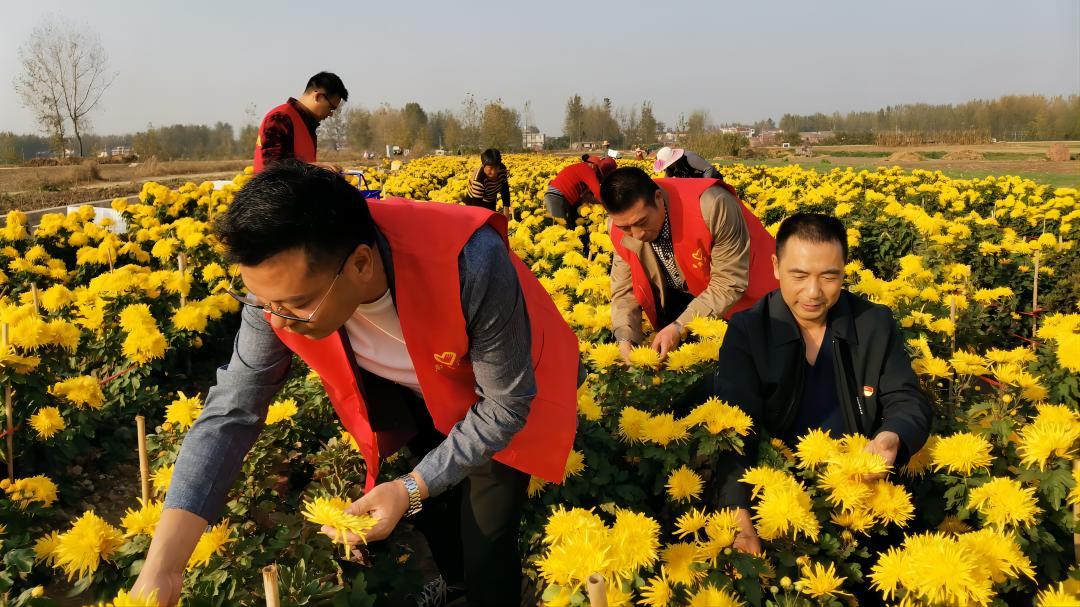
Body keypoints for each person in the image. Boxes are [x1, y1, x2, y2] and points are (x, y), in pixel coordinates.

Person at [131, 161, 580, 607]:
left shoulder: (470, 261)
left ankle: (489, 592)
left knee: (486, 528)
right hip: (416, 384)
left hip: (503, 387)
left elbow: (504, 405)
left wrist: (409, 487)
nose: (277, 319)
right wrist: (163, 571)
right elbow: (231, 411)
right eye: (266, 302)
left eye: (297, 303)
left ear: (361, 264)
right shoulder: (276, 293)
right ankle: (455, 582)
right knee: (432, 504)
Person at [699, 212, 932, 555]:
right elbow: (735, 429)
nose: (813, 292)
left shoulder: (873, 324)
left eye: (829, 277)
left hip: (856, 494)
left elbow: (907, 398)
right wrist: (738, 514)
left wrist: (891, 436)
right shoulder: (749, 330)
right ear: (776, 267)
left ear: (844, 271)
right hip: (777, 495)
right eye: (799, 275)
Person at [602, 167, 778, 362]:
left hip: (750, 293)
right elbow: (624, 290)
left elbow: (729, 282)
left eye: (642, 222)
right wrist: (626, 339)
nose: (637, 235)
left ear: (659, 198)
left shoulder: (713, 205)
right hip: (688, 293)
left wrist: (680, 326)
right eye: (625, 228)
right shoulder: (617, 228)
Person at [253, 72, 348, 173]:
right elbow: (273, 167)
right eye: (331, 108)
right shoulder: (280, 118)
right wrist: (315, 168)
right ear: (318, 97)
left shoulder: (306, 123)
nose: (330, 114)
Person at [544, 154, 617, 227]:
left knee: (569, 226)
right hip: (556, 197)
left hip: (557, 196)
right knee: (559, 228)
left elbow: (586, 196)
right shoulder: (587, 169)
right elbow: (599, 194)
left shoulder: (580, 168)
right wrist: (614, 208)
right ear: (595, 166)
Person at [464, 148, 511, 215]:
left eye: (496, 167)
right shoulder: (479, 179)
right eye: (490, 168)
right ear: (483, 165)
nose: (494, 172)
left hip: (490, 197)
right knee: (475, 218)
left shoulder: (502, 170)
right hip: (473, 200)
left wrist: (506, 215)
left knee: (491, 217)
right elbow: (476, 207)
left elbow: (505, 192)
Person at [653, 146, 723, 180]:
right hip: (695, 182)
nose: (666, 168)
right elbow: (667, 180)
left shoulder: (689, 158)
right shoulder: (670, 167)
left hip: (713, 181)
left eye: (667, 165)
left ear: (672, 160)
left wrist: (703, 185)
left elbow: (709, 169)